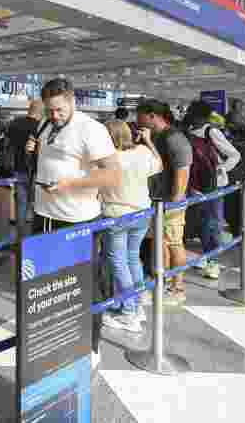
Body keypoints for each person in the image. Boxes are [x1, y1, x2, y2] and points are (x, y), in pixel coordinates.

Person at [27, 78, 120, 370]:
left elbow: (113, 175)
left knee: (85, 286)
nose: (54, 116)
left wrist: (71, 184)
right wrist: (34, 148)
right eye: (49, 111)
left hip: (77, 220)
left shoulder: (91, 129)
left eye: (58, 110)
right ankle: (58, 339)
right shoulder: (46, 124)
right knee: (49, 287)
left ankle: (91, 346)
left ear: (72, 101)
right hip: (45, 217)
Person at [100, 121, 161, 334]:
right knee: (133, 258)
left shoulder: (108, 159)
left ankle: (128, 313)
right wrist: (148, 141)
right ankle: (137, 306)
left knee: (118, 262)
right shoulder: (143, 151)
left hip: (116, 214)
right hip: (142, 212)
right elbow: (159, 165)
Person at [136, 99, 192, 306]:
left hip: (170, 202)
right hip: (157, 201)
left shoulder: (174, 138)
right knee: (161, 243)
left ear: (152, 116)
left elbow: (182, 170)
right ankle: (163, 281)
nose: (137, 119)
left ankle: (178, 287)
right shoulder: (155, 136)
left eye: (140, 115)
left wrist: (176, 200)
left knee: (174, 242)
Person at [182, 101, 240, 280]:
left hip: (213, 186)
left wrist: (221, 169)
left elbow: (234, 154)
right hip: (193, 184)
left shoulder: (212, 131)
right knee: (197, 223)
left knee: (211, 224)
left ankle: (213, 261)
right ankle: (203, 257)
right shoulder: (188, 131)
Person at [7, 100, 44, 227]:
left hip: (18, 167)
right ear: (41, 111)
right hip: (36, 170)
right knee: (36, 203)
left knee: (21, 203)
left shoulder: (15, 124)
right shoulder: (40, 126)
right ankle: (34, 233)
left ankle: (20, 234)